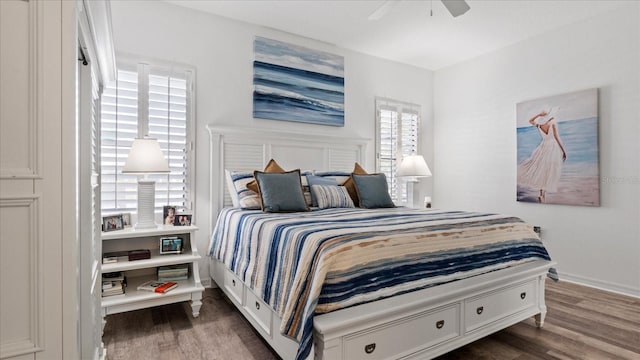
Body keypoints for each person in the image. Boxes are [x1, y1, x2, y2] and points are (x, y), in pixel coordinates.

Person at [517, 107, 567, 203]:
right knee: (547, 171)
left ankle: (542, 195)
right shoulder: (553, 124)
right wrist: (563, 151)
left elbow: (530, 120)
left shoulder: (540, 125)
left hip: (543, 147)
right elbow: (557, 138)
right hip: (552, 148)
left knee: (542, 170)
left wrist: (539, 114)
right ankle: (542, 195)